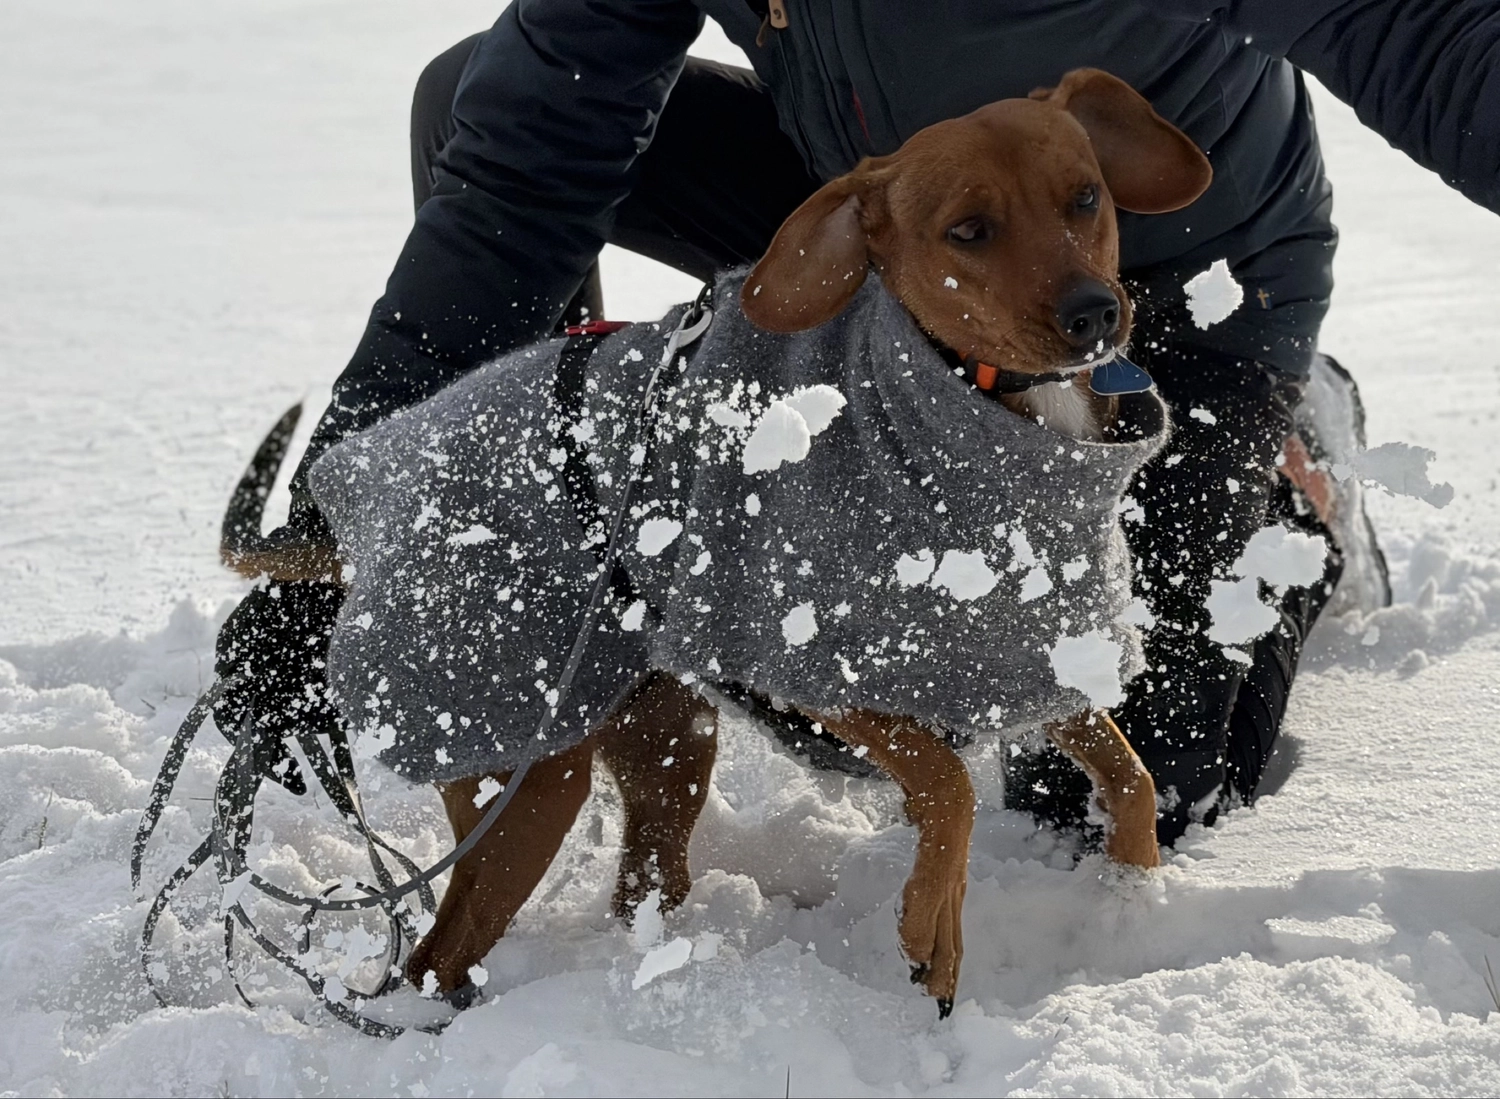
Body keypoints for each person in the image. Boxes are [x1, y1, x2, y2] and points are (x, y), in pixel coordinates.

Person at [213, 0, 1500, 846]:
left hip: (1167, 282)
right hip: (906, 224)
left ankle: (1287, 468)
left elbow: (1432, 41)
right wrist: (376, 503)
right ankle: (574, 547)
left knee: (1088, 798)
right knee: (479, 94)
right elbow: (530, 156)